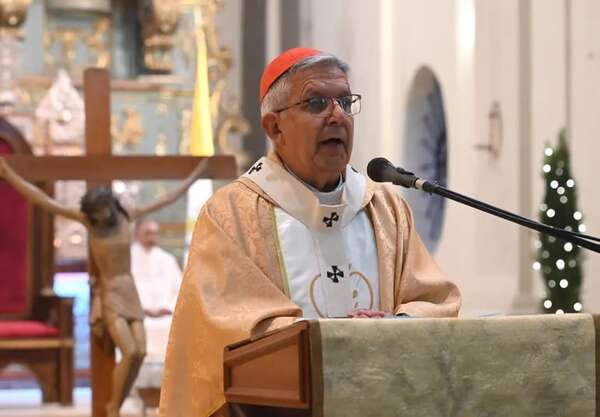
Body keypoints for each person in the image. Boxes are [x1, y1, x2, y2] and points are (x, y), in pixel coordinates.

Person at [160, 48, 461, 417]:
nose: (337, 116)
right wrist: (337, 340)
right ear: (274, 128)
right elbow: (222, 333)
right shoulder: (231, 215)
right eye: (317, 103)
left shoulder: (385, 207)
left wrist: (395, 325)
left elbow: (435, 301)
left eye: (345, 102)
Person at [0, 157, 207, 417]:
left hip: (129, 290)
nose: (101, 216)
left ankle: (115, 402)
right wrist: (9, 174)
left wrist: (196, 175)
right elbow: (44, 200)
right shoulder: (88, 221)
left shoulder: (125, 217)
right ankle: (113, 407)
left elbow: (166, 198)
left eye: (103, 210)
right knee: (130, 351)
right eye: (96, 212)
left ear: (110, 206)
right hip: (109, 292)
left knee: (141, 351)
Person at [130, 219, 182, 360]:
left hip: (166, 316)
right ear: (137, 234)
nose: (151, 237)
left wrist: (167, 308)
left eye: (154, 233)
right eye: (147, 233)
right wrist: (142, 309)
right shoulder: (128, 260)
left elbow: (180, 290)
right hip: (139, 316)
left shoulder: (167, 259)